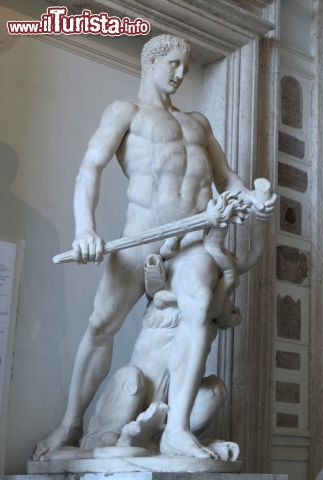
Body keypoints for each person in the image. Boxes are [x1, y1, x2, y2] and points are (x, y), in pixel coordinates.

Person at [33, 34, 276, 460]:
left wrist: (253, 199)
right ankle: (70, 424)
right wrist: (84, 229)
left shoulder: (199, 123)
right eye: (174, 64)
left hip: (192, 240)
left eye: (186, 65)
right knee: (100, 325)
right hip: (142, 235)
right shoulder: (126, 112)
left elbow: (229, 180)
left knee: (199, 306)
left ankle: (177, 429)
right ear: (152, 62)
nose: (181, 74)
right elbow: (89, 168)